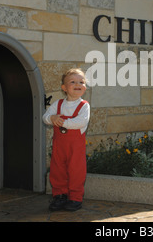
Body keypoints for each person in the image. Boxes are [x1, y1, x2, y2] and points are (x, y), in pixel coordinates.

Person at [42, 68, 90, 211]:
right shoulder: (58, 104)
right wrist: (52, 118)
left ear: (85, 87)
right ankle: (60, 195)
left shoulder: (84, 106)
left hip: (75, 148)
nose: (78, 84)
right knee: (58, 170)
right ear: (64, 88)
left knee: (76, 171)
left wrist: (63, 122)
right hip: (59, 146)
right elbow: (45, 117)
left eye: (81, 82)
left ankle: (75, 198)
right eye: (73, 81)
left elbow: (81, 122)